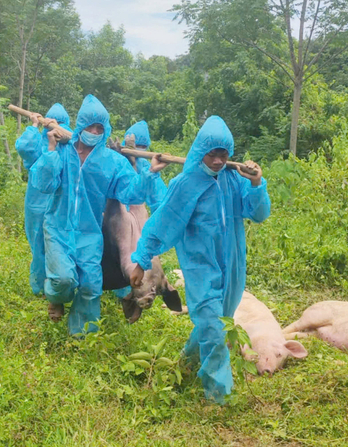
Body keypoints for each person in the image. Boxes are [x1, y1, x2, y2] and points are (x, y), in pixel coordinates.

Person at [129, 115, 270, 403]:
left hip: (232, 266)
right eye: (212, 154)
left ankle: (187, 362)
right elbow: (163, 223)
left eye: (223, 154)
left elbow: (258, 213)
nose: (218, 161)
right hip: (200, 267)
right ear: (200, 152)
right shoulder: (186, 184)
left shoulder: (234, 179)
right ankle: (219, 397)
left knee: (218, 321)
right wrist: (142, 261)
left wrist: (256, 183)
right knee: (213, 326)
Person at [29, 94, 168, 336]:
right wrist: (50, 148)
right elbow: (43, 183)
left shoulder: (111, 161)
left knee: (91, 286)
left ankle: (82, 338)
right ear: (81, 126)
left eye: (100, 127)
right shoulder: (62, 151)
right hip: (58, 227)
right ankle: (56, 298)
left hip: (90, 233)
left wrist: (150, 173)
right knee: (62, 279)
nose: (94, 131)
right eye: (91, 126)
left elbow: (131, 192)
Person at [15, 103, 71, 298]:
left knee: (58, 247)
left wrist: (35, 126)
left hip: (58, 207)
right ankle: (42, 286)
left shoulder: (71, 145)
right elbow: (23, 146)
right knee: (39, 245)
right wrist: (35, 125)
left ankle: (54, 286)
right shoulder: (40, 143)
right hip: (40, 205)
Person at [112, 120, 168, 300]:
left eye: (143, 146)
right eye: (137, 146)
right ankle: (117, 286)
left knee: (132, 251)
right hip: (115, 213)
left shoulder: (147, 167)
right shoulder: (116, 160)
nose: (139, 149)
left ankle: (127, 289)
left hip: (137, 216)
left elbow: (159, 199)